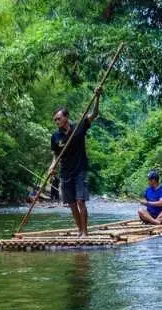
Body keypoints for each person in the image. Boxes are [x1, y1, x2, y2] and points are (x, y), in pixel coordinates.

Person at [49, 87, 101, 235]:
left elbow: (95, 114)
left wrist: (97, 97)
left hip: (80, 170)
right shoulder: (55, 137)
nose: (56, 122)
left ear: (66, 117)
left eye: (58, 119)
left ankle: (85, 232)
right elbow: (55, 155)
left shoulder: (79, 126)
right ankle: (79, 231)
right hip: (65, 173)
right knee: (72, 204)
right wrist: (52, 167)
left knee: (80, 201)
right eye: (55, 120)